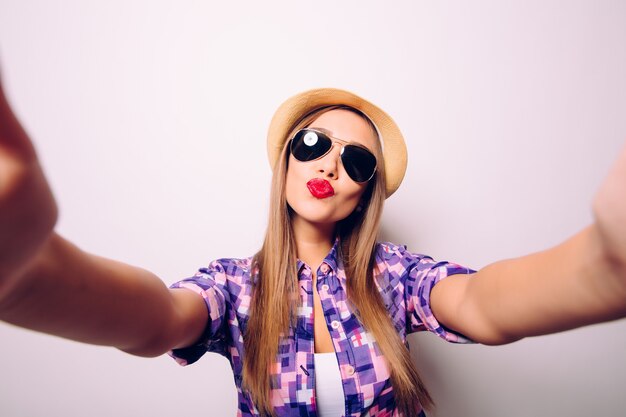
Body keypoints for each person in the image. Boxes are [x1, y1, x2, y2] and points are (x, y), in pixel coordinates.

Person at [0, 79, 625, 417]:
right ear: (284, 163)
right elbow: (155, 318)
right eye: (313, 143)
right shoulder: (235, 287)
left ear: (364, 196)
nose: (330, 162)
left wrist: (605, 263)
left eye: (355, 160)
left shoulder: (396, 277)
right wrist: (30, 276)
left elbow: (486, 304)